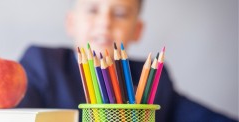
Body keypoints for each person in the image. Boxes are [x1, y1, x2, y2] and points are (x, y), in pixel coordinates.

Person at [16, 0, 237, 121]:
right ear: (71, 23)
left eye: (120, 14)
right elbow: (16, 116)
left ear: (137, 30)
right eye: (93, 10)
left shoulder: (150, 78)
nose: (105, 22)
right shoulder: (42, 63)